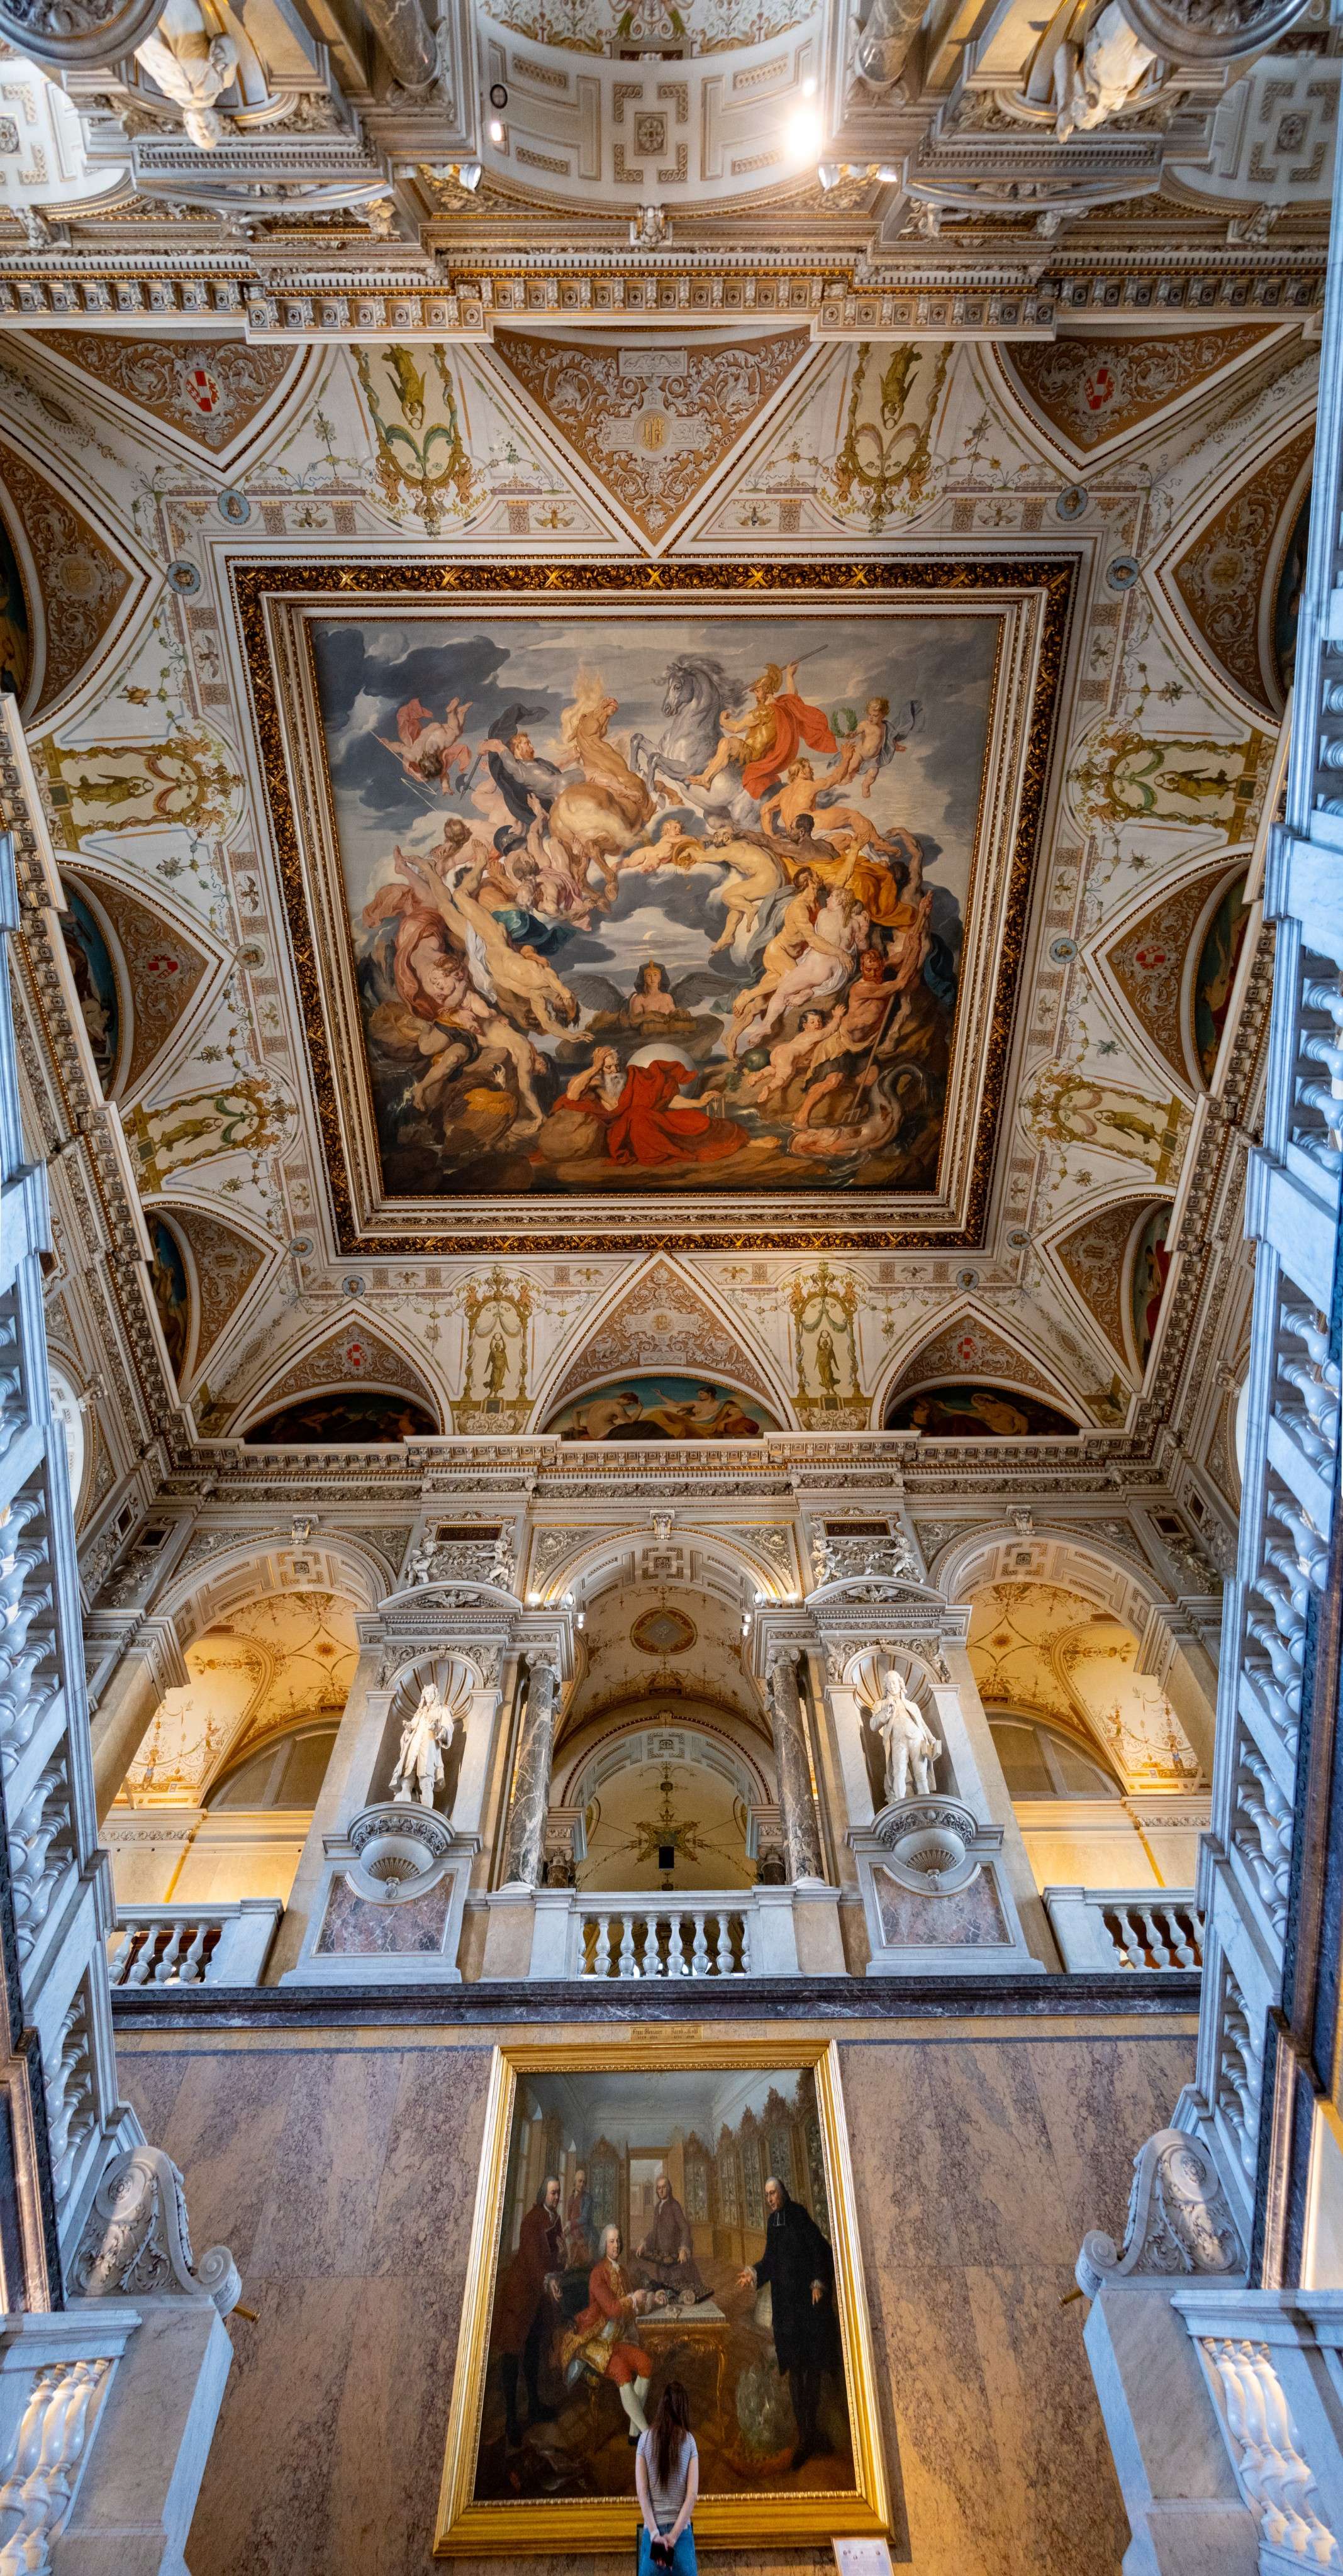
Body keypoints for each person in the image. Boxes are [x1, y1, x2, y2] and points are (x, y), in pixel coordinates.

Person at [737, 2175, 841, 2471]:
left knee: (812, 2370)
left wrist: (818, 2282)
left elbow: (822, 2251)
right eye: (767, 2195)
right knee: (796, 2371)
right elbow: (770, 2261)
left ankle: (811, 2434)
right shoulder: (773, 2224)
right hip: (786, 2310)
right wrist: (753, 2273)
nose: (771, 2199)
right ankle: (807, 2435)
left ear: (784, 2191)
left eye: (774, 2193)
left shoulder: (799, 2215)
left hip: (807, 2307)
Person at [560, 2224, 660, 2443]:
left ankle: (635, 2433)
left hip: (615, 2340)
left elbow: (633, 2304)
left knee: (645, 2363)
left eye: (619, 2241)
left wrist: (652, 2298)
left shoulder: (622, 2271)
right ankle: (647, 2434)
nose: (617, 2245)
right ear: (604, 2245)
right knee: (622, 2372)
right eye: (612, 2241)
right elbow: (614, 2309)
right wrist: (633, 2299)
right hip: (595, 2340)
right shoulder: (598, 2274)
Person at [492, 2176, 563, 2447]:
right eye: (553, 2193)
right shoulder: (531, 2221)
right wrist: (549, 2280)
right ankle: (511, 2419)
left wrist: (562, 2259)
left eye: (558, 2193)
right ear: (542, 2194)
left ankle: (534, 2406)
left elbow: (554, 2255)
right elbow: (534, 2260)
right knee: (511, 2354)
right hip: (521, 2296)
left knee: (533, 2352)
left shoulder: (554, 2220)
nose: (556, 2197)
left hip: (539, 2298)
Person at [636, 2380, 699, 2576]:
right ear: (683, 2408)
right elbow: (692, 2495)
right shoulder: (689, 2441)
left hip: (652, 2539)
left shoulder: (644, 2439)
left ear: (662, 2405)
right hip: (681, 2539)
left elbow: (642, 2492)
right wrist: (672, 2538)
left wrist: (656, 2535)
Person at [633, 2171, 710, 2301]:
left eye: (663, 2187)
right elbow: (655, 2232)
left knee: (681, 2289)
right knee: (665, 2289)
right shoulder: (657, 2207)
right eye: (659, 2188)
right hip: (662, 2257)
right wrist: (644, 2243)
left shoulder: (675, 2206)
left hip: (675, 2256)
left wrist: (684, 2248)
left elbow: (685, 2228)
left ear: (669, 2189)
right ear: (657, 2191)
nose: (661, 2190)